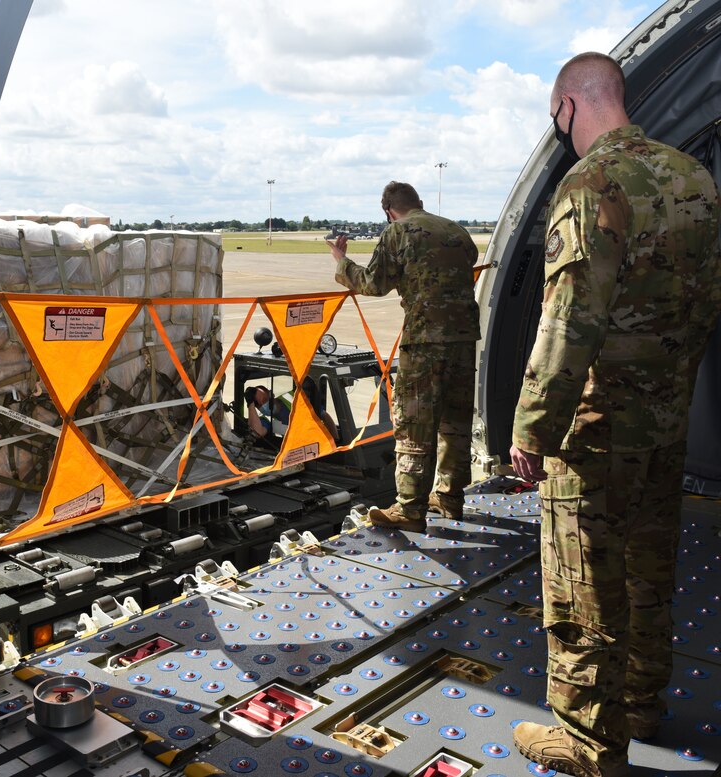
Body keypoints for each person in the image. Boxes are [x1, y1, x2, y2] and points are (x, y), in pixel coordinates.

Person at [508, 52, 720, 777]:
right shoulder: (694, 177)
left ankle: (589, 741)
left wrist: (533, 427)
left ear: (571, 104)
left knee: (583, 582)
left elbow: (570, 321)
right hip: (665, 423)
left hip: (594, 432)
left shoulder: (591, 183)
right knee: (650, 568)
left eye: (555, 116)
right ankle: (642, 701)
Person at [326, 181, 480, 532]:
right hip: (463, 338)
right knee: (455, 423)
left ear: (388, 211)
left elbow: (374, 283)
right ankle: (450, 497)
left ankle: (410, 510)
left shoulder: (398, 231)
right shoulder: (456, 230)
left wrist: (341, 260)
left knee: (413, 424)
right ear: (420, 202)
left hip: (425, 340)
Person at [244, 378, 338, 442]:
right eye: (259, 405)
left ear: (271, 394)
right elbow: (257, 432)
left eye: (264, 400)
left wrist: (334, 439)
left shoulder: (295, 399)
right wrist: (250, 404)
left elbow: (324, 415)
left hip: (318, 445)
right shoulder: (265, 419)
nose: (263, 405)